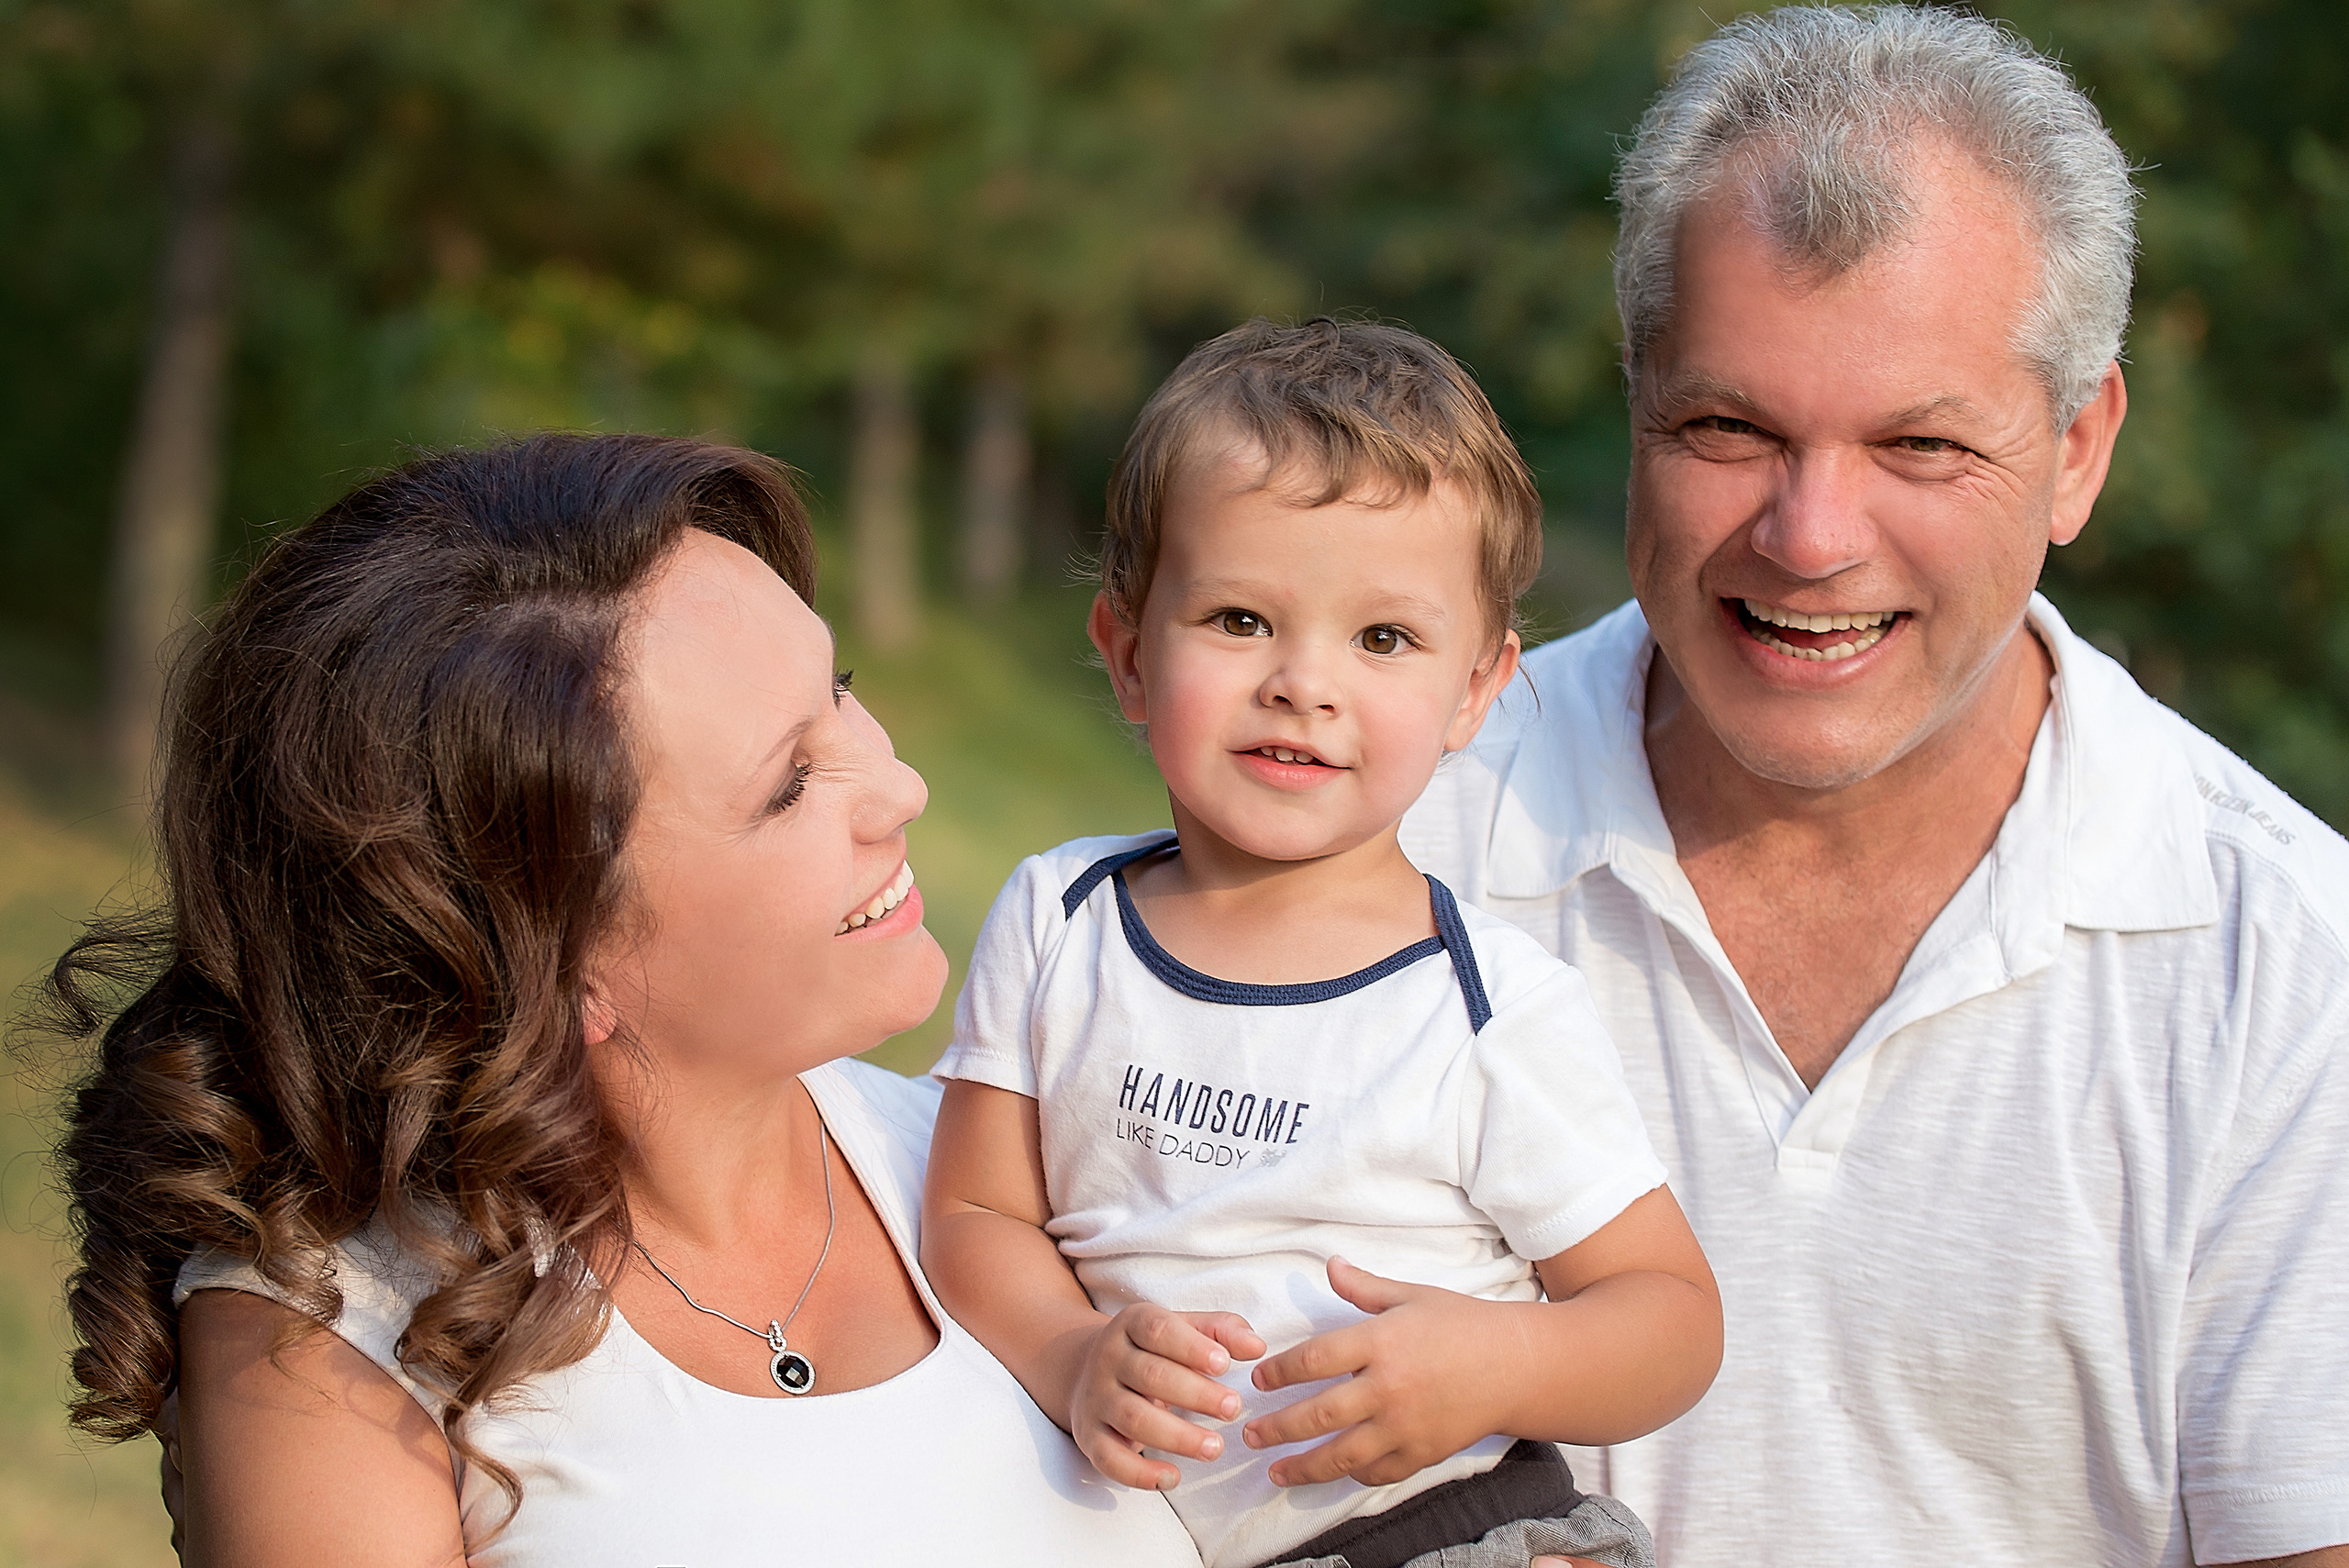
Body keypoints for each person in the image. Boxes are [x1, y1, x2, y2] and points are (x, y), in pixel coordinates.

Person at [1399, 7, 2349, 1567]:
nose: (1811, 534)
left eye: (1918, 442)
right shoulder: (1376, 833)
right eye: (1730, 426)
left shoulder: (2289, 975)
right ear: (1636, 395)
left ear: (2077, 447)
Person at [44, 433, 1204, 1566]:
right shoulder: (325, 1344)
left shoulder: (1015, 1174)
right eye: (791, 780)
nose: (901, 784)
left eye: (839, 690)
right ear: (550, 957)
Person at [921, 319, 1723, 1568]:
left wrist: (1497, 1363)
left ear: (1476, 691)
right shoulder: (1060, 921)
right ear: (1129, 654)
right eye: (1240, 619)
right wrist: (1075, 1357)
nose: (1305, 681)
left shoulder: (1484, 1008)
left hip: (1453, 1527)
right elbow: (975, 1209)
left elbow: (1670, 1319)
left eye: (1384, 639)